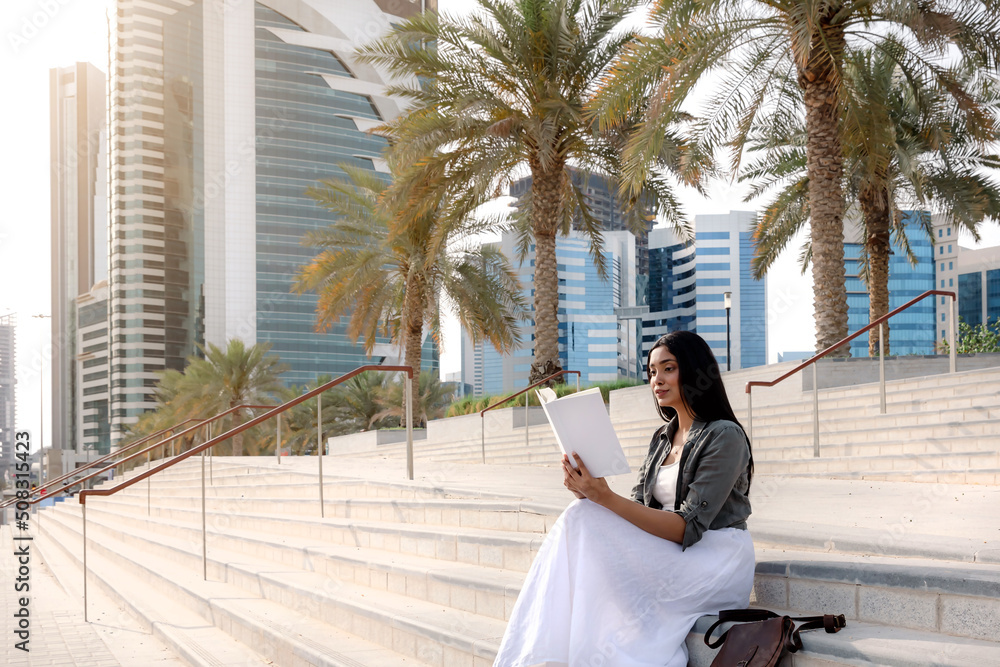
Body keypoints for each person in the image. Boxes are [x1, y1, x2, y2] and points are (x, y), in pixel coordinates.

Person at [494, 331, 755, 667]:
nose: (656, 380)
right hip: (676, 554)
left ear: (693, 370)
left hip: (716, 559)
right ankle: (548, 655)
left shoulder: (725, 435)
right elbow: (638, 508)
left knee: (584, 517)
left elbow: (687, 528)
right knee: (582, 513)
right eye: (651, 372)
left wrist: (604, 498)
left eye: (668, 369)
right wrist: (589, 492)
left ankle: (543, 655)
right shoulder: (663, 437)